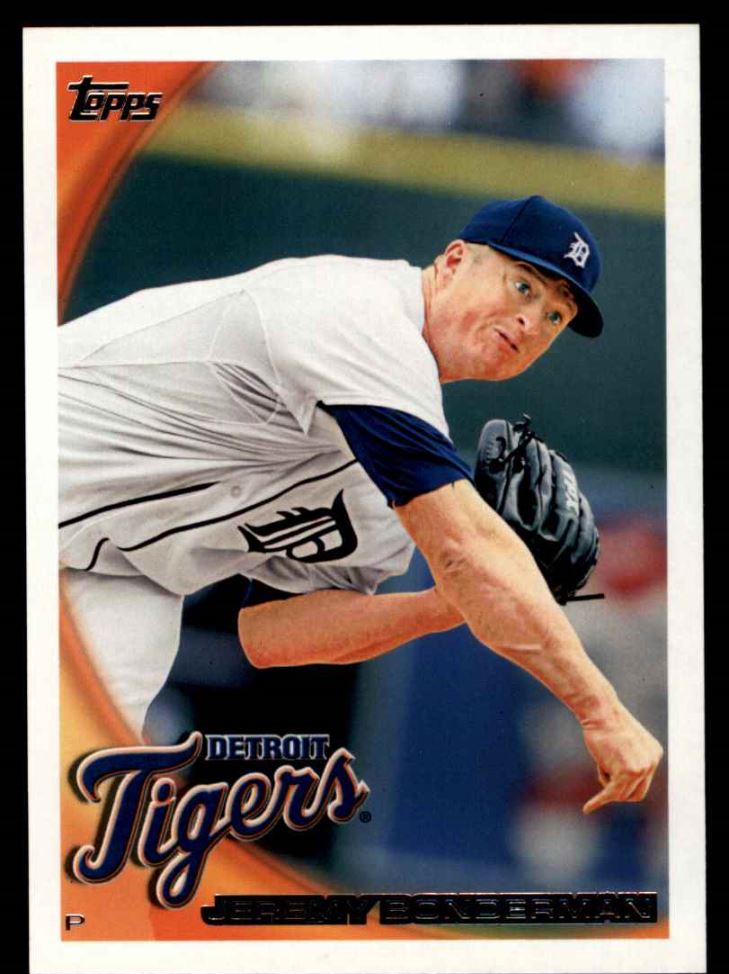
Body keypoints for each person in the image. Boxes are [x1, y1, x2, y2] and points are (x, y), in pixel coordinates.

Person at [59, 194, 663, 814]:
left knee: (92, 805)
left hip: (122, 572)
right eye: (523, 286)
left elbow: (269, 633)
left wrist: (448, 602)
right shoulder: (360, 313)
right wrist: (601, 711)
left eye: (555, 316)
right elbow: (465, 547)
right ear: (455, 261)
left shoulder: (391, 461)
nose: (533, 321)